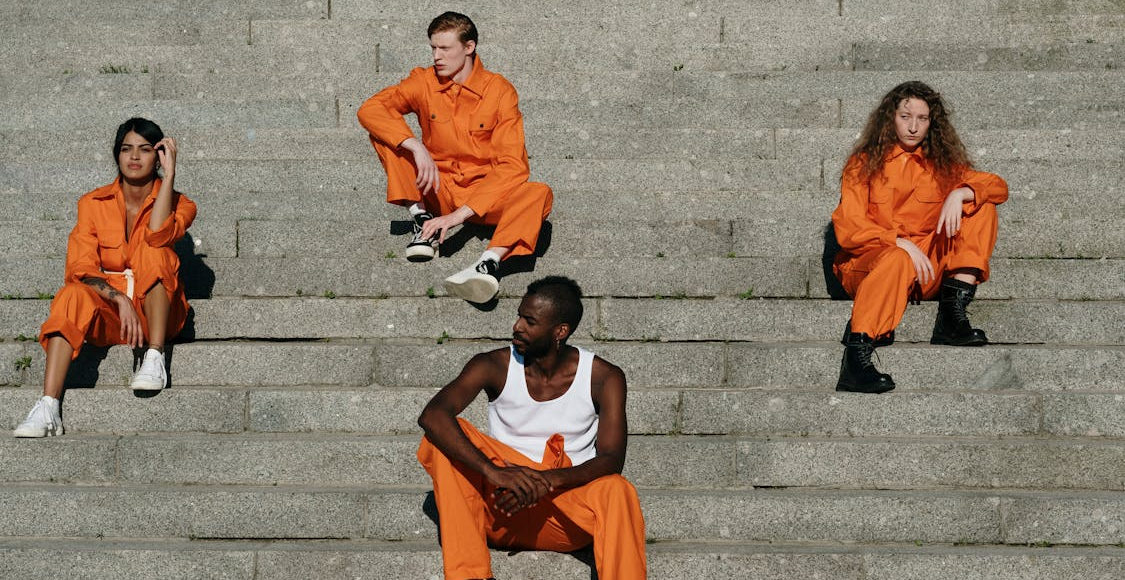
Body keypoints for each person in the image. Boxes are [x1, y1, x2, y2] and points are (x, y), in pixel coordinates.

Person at [416, 276, 647, 580]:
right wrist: (493, 471)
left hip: (563, 516)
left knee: (618, 490)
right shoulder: (493, 364)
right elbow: (432, 415)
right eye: (518, 316)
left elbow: (611, 459)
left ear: (559, 332)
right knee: (443, 434)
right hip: (501, 509)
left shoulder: (604, 377)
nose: (517, 326)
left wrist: (546, 480)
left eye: (530, 321)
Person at [13, 118, 197, 437]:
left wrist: (169, 178)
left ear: (159, 157)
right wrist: (118, 298)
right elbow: (80, 269)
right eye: (126, 149)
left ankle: (154, 356)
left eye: (145, 150)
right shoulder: (92, 204)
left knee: (155, 252)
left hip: (159, 313)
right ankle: (48, 407)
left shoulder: (183, 204)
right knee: (71, 294)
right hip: (113, 314)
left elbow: (157, 235)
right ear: (116, 154)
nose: (135, 157)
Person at [357, 11, 553, 304]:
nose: (437, 56)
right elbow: (370, 109)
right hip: (436, 187)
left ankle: (487, 263)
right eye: (433, 48)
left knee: (539, 193)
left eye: (445, 48)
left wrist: (459, 216)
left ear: (469, 47)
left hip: (483, 199)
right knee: (385, 134)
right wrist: (415, 146)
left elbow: (513, 166)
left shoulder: (499, 91)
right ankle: (421, 220)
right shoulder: (422, 81)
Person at [831, 81, 1008, 394]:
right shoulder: (863, 164)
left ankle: (952, 315)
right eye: (905, 116)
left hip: (925, 270)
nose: (913, 126)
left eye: (922, 119)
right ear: (890, 118)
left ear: (932, 122)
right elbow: (849, 227)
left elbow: (997, 186)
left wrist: (960, 193)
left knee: (981, 205)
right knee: (896, 258)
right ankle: (855, 359)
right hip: (870, 265)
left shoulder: (942, 165)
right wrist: (898, 242)